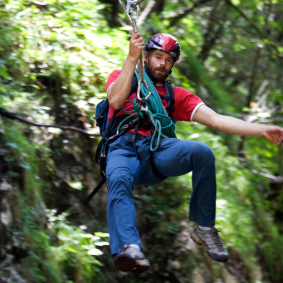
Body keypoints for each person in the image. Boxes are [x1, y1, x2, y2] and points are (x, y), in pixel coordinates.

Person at [105, 32, 283, 274]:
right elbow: (115, 101)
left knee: (201, 152)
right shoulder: (123, 76)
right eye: (158, 57)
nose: (162, 64)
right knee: (117, 179)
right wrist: (130, 58)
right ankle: (129, 248)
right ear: (146, 57)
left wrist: (262, 130)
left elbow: (217, 121)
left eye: (168, 60)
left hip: (156, 150)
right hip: (122, 148)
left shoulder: (175, 95)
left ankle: (204, 227)